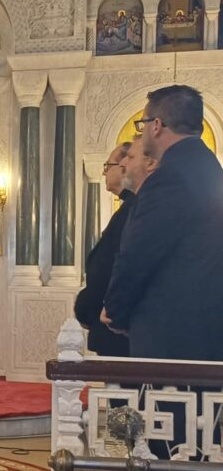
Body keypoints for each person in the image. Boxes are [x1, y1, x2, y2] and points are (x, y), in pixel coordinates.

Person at [103, 85, 223, 471]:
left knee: (176, 445)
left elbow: (138, 255)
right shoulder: (208, 168)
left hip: (173, 339)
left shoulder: (170, 178)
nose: (142, 134)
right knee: (201, 442)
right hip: (203, 334)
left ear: (157, 125)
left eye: (142, 125)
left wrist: (115, 309)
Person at [74, 142, 134, 357]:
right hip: (108, 325)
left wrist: (88, 307)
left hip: (117, 327)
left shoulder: (135, 209)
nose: (103, 172)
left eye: (108, 166)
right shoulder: (128, 207)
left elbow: (118, 267)